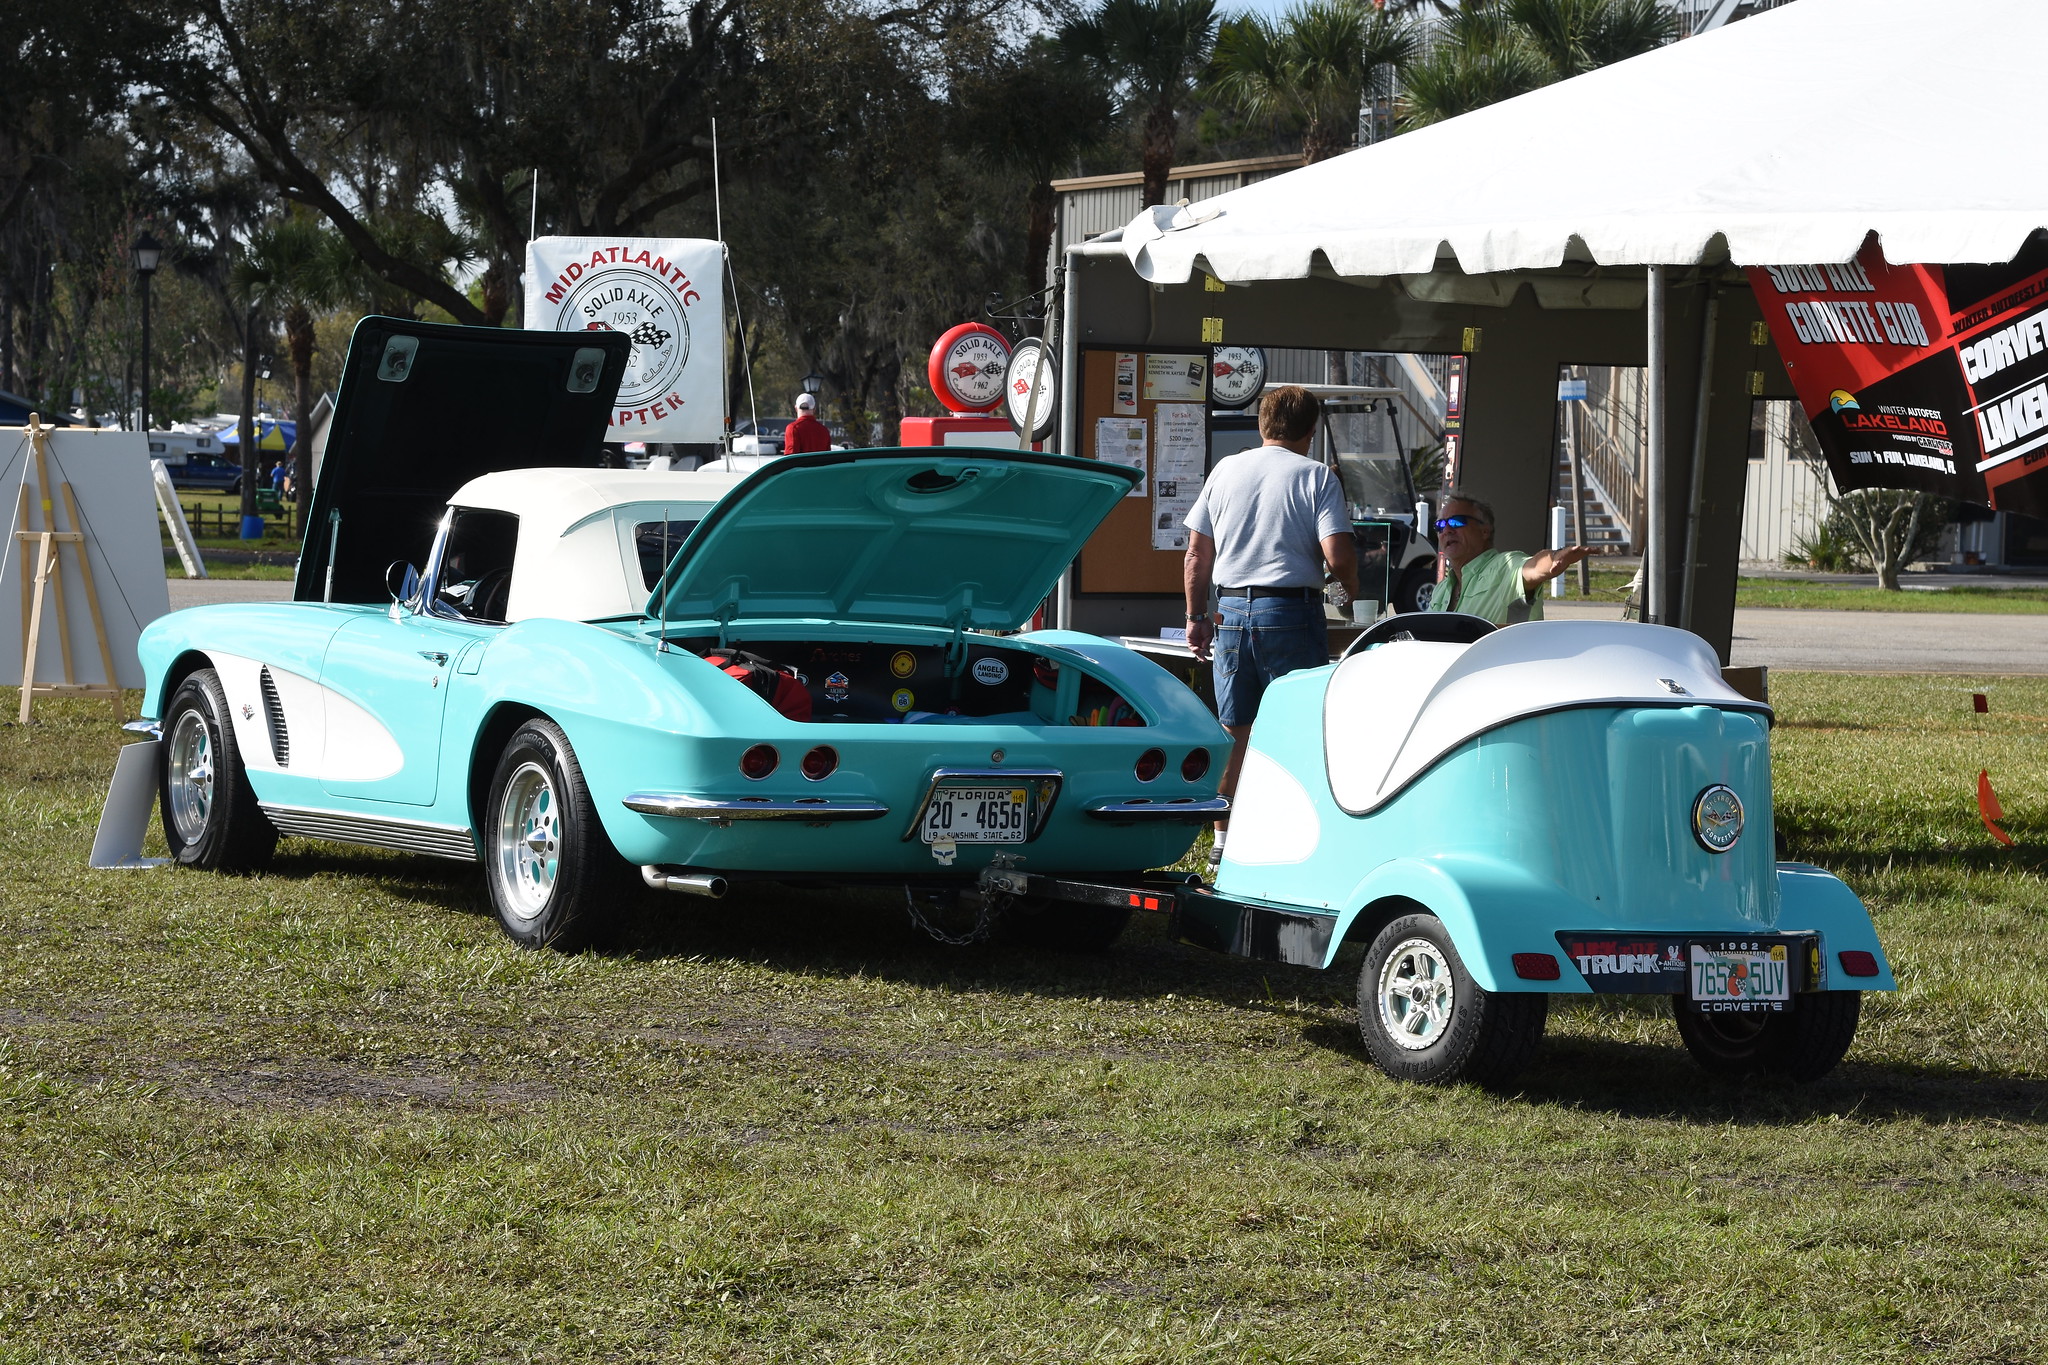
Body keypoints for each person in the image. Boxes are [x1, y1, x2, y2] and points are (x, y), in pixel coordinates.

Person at [1183, 385, 1360, 867]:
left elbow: (1198, 553)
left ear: (1262, 425)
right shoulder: (1318, 477)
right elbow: (1338, 554)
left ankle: (1222, 843)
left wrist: (1196, 618)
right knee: (1298, 727)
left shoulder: (1225, 471)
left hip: (1232, 614)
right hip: (1291, 614)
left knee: (1234, 730)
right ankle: (1292, 842)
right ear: (1310, 430)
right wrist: (1344, 585)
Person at [1429, 490, 1590, 624]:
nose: (1447, 530)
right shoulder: (1442, 590)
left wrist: (1554, 558)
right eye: (1440, 525)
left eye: (1457, 522)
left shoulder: (1505, 566)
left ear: (1485, 530)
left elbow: (1532, 568)